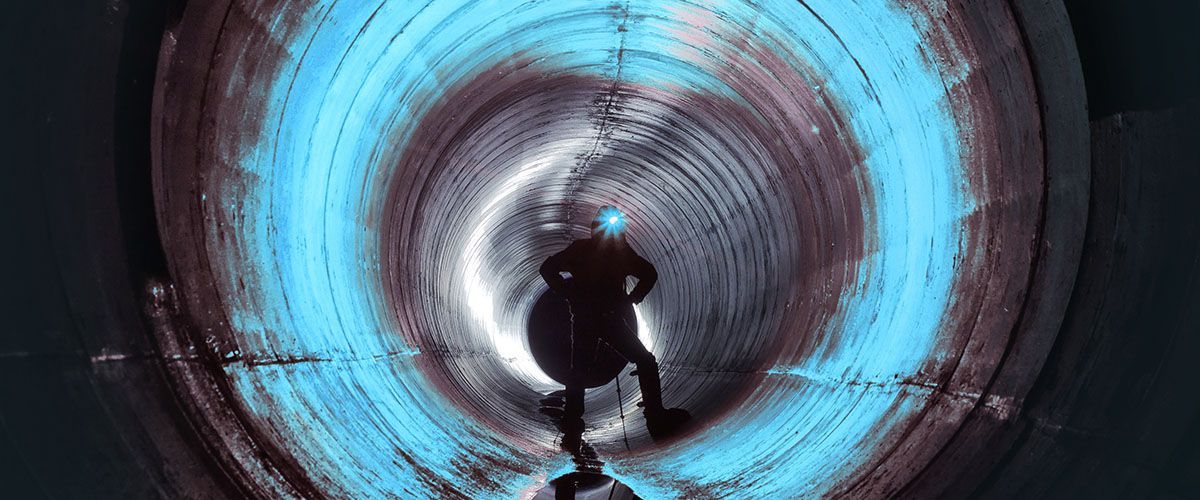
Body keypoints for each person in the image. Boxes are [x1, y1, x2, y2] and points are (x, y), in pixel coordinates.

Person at [539, 205, 688, 440]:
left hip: (591, 320)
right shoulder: (615, 253)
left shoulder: (590, 251)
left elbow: (547, 268)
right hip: (606, 320)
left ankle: (572, 421)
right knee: (643, 361)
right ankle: (655, 416)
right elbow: (649, 274)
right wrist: (631, 299)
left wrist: (567, 291)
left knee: (580, 368)